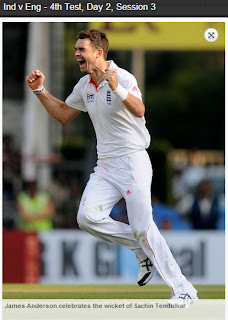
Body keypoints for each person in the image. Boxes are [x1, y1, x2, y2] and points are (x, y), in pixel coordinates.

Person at [26, 29, 197, 305]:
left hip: (132, 161)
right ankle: (140, 249)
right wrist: (40, 91)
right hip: (105, 165)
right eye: (76, 49)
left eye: (81, 49)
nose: (76, 54)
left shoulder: (123, 76)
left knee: (143, 227)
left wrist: (116, 87)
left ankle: (183, 289)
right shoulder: (84, 86)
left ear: (98, 53)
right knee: (87, 217)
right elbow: (62, 114)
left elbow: (140, 110)